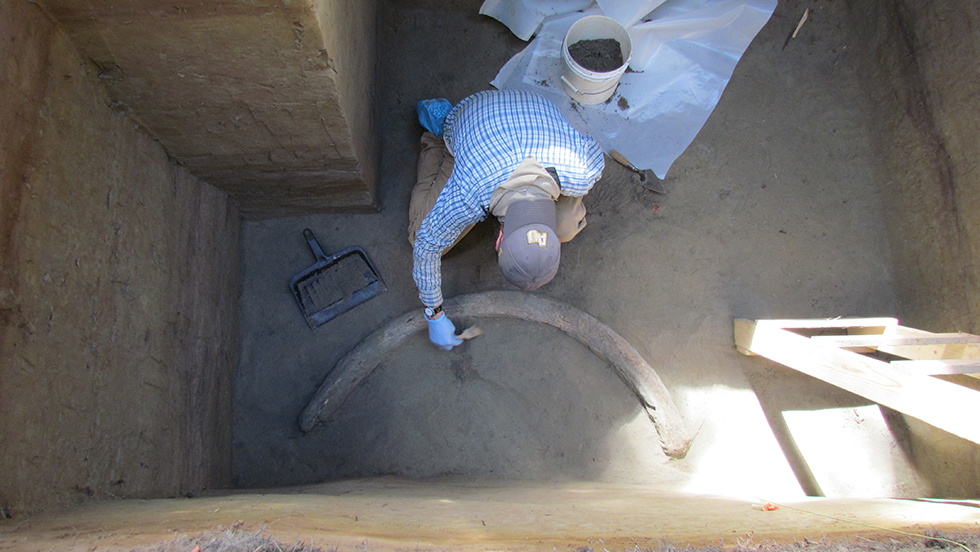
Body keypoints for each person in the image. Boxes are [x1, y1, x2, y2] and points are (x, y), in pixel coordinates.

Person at [409, 90, 604, 350]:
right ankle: (438, 138)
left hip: (533, 102)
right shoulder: (468, 193)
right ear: (498, 238)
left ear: (500, 238)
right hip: (472, 113)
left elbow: (593, 149)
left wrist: (572, 199)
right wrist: (433, 313)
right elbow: (426, 244)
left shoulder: (582, 170)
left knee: (569, 220)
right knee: (417, 234)